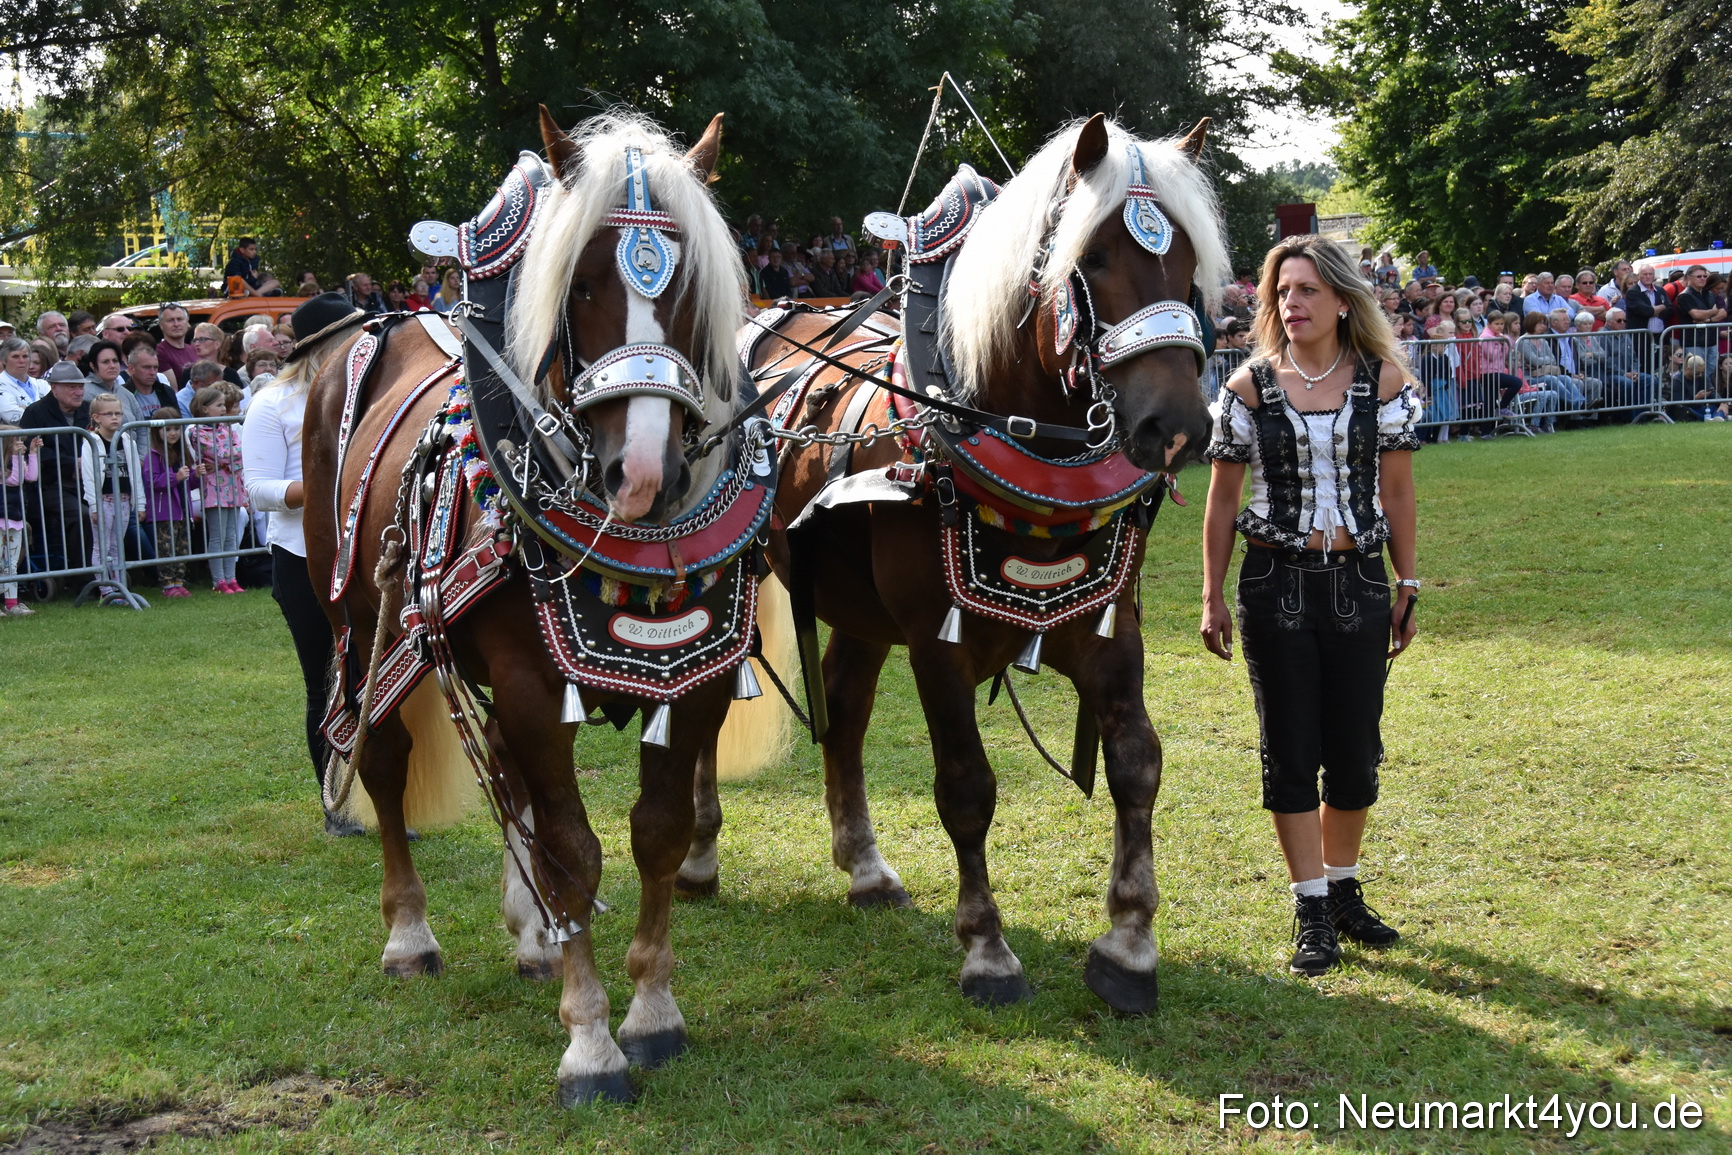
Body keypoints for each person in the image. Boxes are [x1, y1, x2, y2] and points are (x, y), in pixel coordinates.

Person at [1199, 235, 1420, 977]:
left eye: (1306, 292)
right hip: (1274, 584)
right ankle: (1312, 907)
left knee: (1355, 753)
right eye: (1282, 293)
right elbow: (1223, 500)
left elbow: (1396, 492)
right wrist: (1210, 594)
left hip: (1359, 582)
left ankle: (1344, 886)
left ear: (1341, 300)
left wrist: (1408, 582)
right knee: (1290, 751)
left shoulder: (1383, 383)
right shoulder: (1248, 389)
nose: (1291, 305)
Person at [242, 292, 369, 835]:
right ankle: (335, 803)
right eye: (354, 339)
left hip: (365, 555)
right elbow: (258, 489)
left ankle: (380, 799)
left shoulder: (370, 396)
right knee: (326, 682)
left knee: (374, 683)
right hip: (302, 558)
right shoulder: (273, 404)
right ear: (324, 348)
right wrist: (321, 490)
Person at [20, 361, 92, 573]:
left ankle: (112, 573)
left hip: (88, 481)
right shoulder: (36, 412)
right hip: (50, 485)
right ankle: (83, 578)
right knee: (82, 516)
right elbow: (29, 449)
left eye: (81, 386)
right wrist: (71, 463)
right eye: (72, 387)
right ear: (54, 388)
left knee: (112, 511)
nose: (79, 392)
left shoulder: (89, 410)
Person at [79, 392, 149, 588]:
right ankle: (105, 588)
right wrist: (93, 505)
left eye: (118, 413)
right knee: (101, 546)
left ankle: (119, 586)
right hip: (103, 500)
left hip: (124, 499)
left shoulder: (127, 440)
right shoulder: (91, 442)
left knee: (117, 545)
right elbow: (89, 476)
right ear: (96, 417)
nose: (115, 418)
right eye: (109, 414)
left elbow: (136, 472)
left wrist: (140, 502)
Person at [192, 385, 246, 593]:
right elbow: (219, 453)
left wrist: (227, 458)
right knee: (218, 535)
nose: (224, 408)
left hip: (233, 486)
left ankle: (231, 578)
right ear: (205, 409)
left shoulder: (227, 428)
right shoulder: (197, 431)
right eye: (219, 405)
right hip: (214, 489)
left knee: (231, 534)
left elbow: (238, 452)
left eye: (224, 404)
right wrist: (228, 457)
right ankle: (218, 580)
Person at [141, 408, 194, 598]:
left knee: (182, 547)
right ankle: (167, 584)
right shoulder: (153, 456)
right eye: (167, 429)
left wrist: (197, 476)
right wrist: (175, 477)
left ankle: (179, 581)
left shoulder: (181, 454)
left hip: (182, 510)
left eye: (176, 429)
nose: (173, 433)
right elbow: (152, 482)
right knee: (166, 549)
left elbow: (188, 482)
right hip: (164, 511)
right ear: (157, 431)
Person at [1, 425, 42, 615]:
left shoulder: (18, 462)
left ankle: (11, 604)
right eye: (18, 442)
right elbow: (15, 480)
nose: (22, 445)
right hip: (1, 521)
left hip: (15, 522)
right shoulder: (5, 470)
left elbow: (31, 477)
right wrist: (17, 457)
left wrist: (33, 453)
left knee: (11, 566)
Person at [153, 304, 198, 388]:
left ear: (187, 322)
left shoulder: (193, 349)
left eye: (180, 319)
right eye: (170, 320)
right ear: (161, 325)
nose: (176, 324)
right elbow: (173, 391)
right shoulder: (160, 352)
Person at [0, 337, 36, 422]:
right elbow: (15, 418)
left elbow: (61, 410)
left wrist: (25, 408)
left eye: (25, 356)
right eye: (15, 356)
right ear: (4, 360)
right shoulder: (1, 385)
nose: (21, 361)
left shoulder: (42, 384)